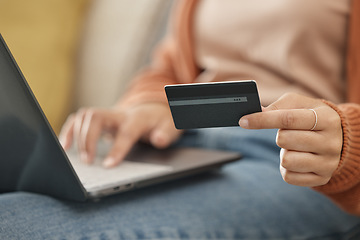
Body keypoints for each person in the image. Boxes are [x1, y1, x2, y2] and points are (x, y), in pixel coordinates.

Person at [2, 0, 360, 239]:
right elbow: (170, 66)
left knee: (19, 224)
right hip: (183, 143)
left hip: (294, 162)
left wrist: (348, 140)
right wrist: (148, 105)